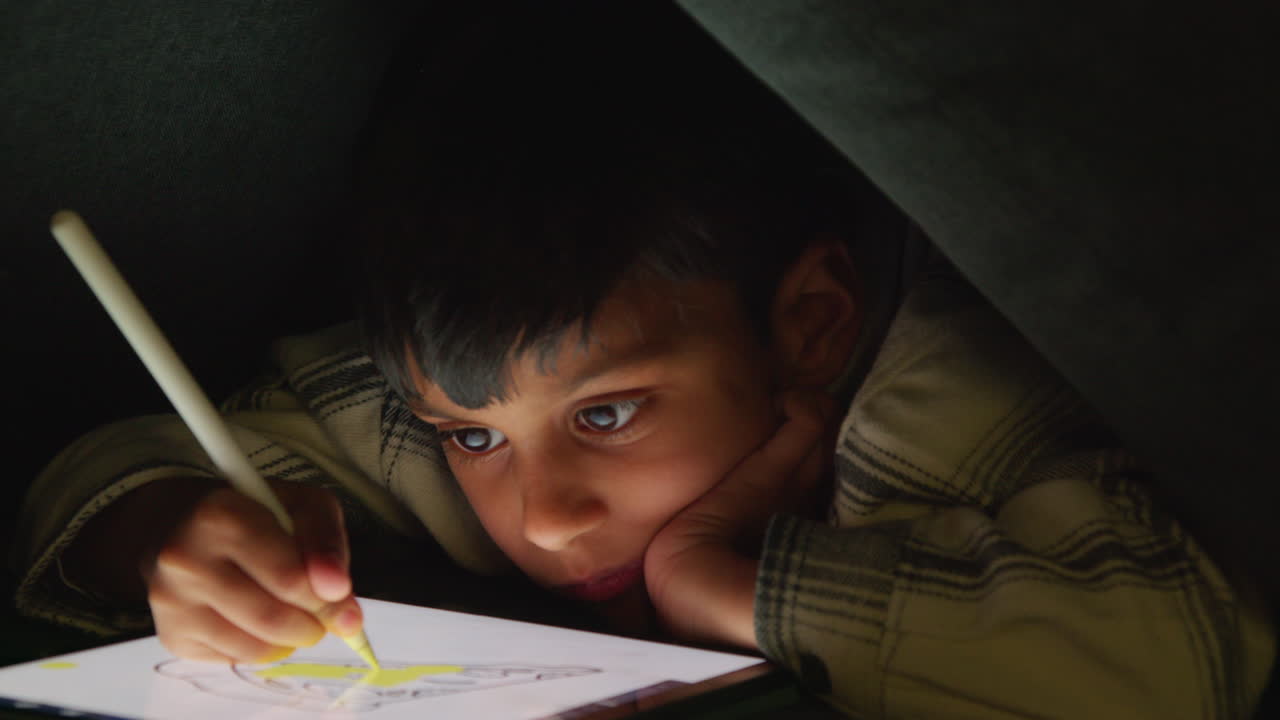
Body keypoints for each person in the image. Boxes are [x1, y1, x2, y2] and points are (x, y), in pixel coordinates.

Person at [11, 4, 1273, 718]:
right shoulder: (461, 402)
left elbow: (1181, 651)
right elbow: (128, 464)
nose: (543, 517)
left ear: (811, 324)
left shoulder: (948, 406)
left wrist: (722, 583)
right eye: (472, 436)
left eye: (609, 416)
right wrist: (171, 532)